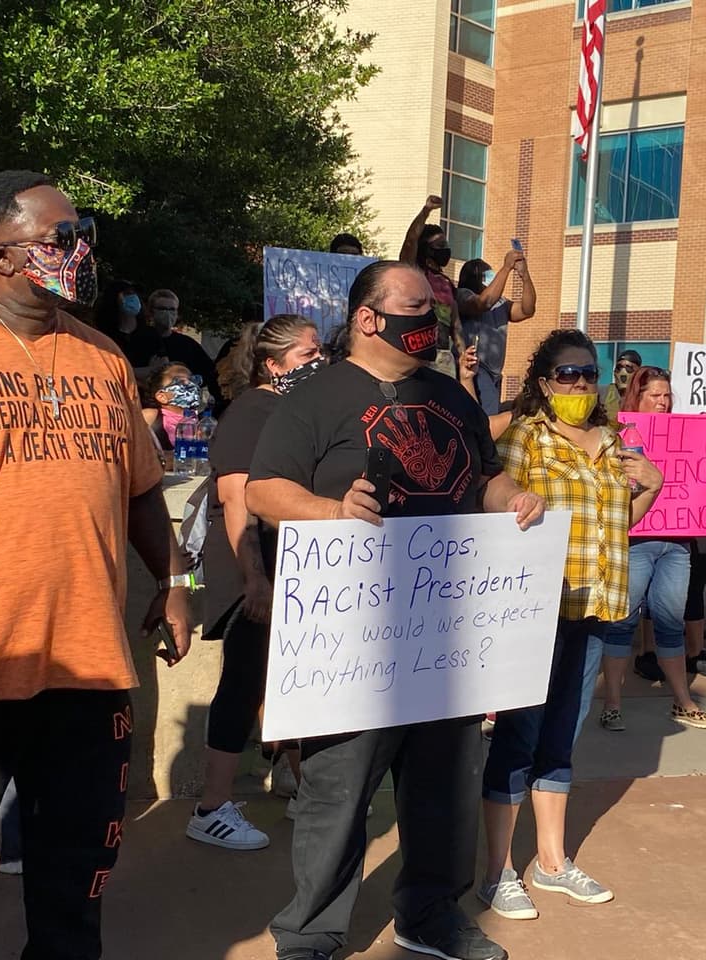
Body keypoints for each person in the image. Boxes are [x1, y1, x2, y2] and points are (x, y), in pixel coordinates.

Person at [0, 169, 192, 959]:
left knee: (74, 885)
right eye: (63, 238)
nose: (80, 251)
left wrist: (175, 580)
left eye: (80, 237)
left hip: (86, 672)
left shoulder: (104, 357)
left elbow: (141, 491)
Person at [246, 260, 544, 960]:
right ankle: (312, 933)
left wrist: (514, 502)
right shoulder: (315, 397)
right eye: (418, 307)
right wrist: (330, 511)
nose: (433, 321)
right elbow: (263, 490)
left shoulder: (450, 395)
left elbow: (486, 477)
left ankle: (430, 914)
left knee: (444, 784)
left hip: (446, 629)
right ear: (368, 318)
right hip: (351, 637)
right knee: (339, 790)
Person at [480, 329, 662, 921]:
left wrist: (652, 489)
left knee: (561, 737)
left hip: (596, 607)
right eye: (566, 374)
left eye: (588, 373)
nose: (580, 383)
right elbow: (496, 506)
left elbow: (618, 525)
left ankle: (553, 863)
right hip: (536, 611)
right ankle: (498, 871)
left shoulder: (614, 444)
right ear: (542, 382)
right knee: (518, 737)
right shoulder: (524, 440)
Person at [186, 314, 324, 851]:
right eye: (307, 355)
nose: (319, 362)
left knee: (284, 677)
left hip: (286, 564)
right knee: (244, 681)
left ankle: (300, 784)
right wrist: (256, 580)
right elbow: (235, 498)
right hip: (255, 566)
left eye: (319, 352)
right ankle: (211, 806)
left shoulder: (291, 410)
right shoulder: (251, 412)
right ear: (272, 364)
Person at [591, 367, 706, 733]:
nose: (663, 401)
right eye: (654, 395)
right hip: (636, 541)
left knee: (670, 622)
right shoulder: (621, 437)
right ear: (636, 399)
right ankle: (612, 703)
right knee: (622, 623)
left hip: (677, 543)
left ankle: (683, 700)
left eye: (666, 395)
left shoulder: (685, 436)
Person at [457, 251, 537, 415]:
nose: (493, 277)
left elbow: (526, 310)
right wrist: (506, 267)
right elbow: (483, 303)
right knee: (487, 418)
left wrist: (525, 276)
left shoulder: (501, 303)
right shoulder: (462, 295)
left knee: (490, 414)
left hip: (495, 372)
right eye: (488, 274)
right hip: (476, 368)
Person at [400, 196, 465, 378]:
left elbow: (456, 324)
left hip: (443, 356)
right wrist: (426, 211)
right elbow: (411, 241)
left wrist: (463, 353)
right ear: (426, 250)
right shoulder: (414, 273)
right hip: (418, 354)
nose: (446, 249)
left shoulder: (446, 283)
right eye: (440, 245)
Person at [142, 362, 200, 451]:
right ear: (162, 397)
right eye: (180, 382)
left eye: (193, 379)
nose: (190, 384)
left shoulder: (202, 422)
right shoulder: (150, 417)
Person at [601, 349, 642, 421]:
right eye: (619, 368)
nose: (623, 372)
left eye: (628, 368)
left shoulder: (644, 396)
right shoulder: (604, 393)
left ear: (638, 372)